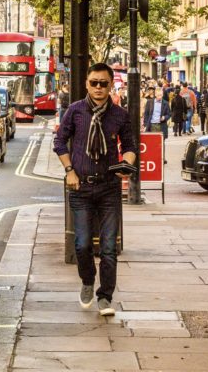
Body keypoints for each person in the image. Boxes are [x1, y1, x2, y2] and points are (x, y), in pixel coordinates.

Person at [53, 62, 136, 318]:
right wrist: (69, 171)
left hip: (109, 189)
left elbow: (131, 146)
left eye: (103, 83)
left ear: (111, 84)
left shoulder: (120, 115)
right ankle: (88, 281)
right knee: (82, 244)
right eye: (94, 83)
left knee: (109, 247)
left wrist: (126, 165)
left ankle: (105, 295)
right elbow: (59, 142)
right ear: (87, 84)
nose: (98, 88)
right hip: (81, 187)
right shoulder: (75, 111)